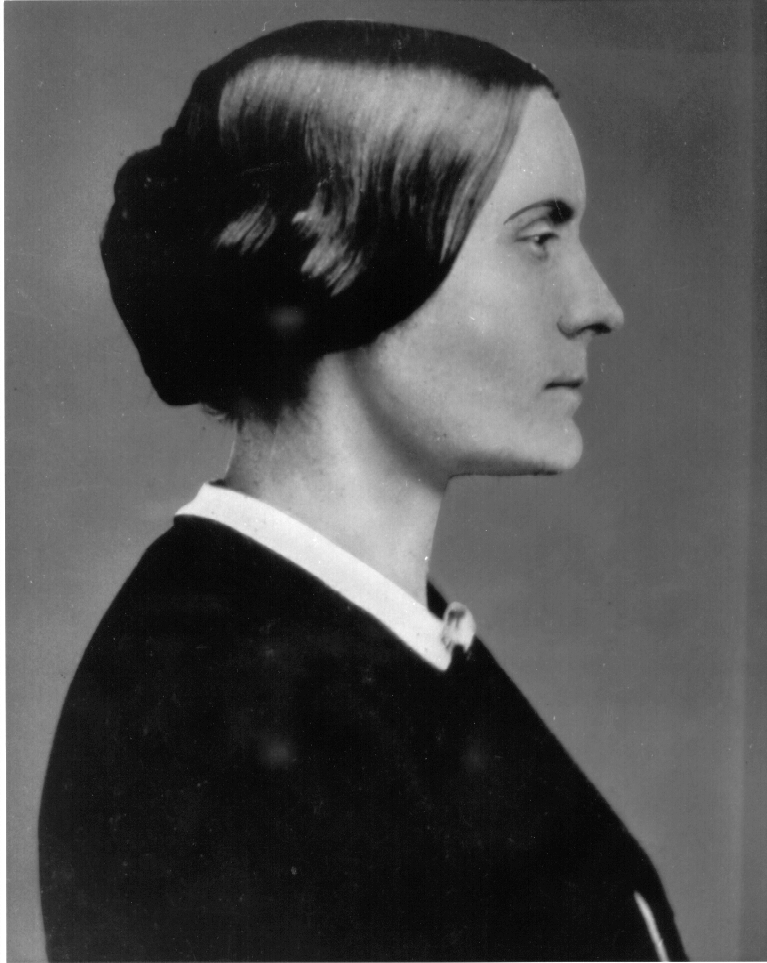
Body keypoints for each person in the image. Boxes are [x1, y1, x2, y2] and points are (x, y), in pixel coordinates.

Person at [39, 20, 687, 962]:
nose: (598, 305)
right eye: (539, 238)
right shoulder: (209, 719)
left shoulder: (378, 642)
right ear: (349, 257)